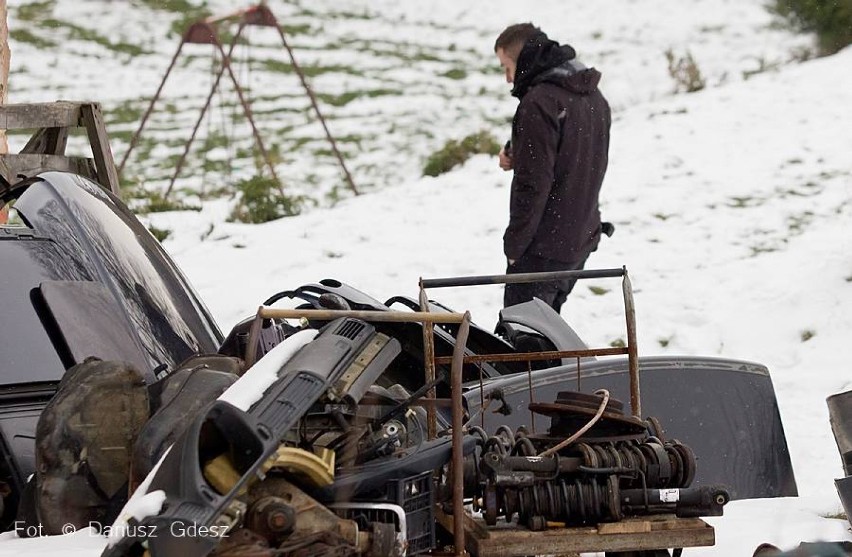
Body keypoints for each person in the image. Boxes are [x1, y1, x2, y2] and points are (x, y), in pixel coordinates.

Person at [495, 23, 611, 313]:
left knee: (519, 342)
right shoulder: (592, 97)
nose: (508, 78)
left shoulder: (539, 104)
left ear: (521, 60)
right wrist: (517, 152)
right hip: (578, 241)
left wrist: (514, 248)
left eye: (505, 66)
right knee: (547, 337)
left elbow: (533, 184)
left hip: (543, 250)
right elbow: (574, 154)